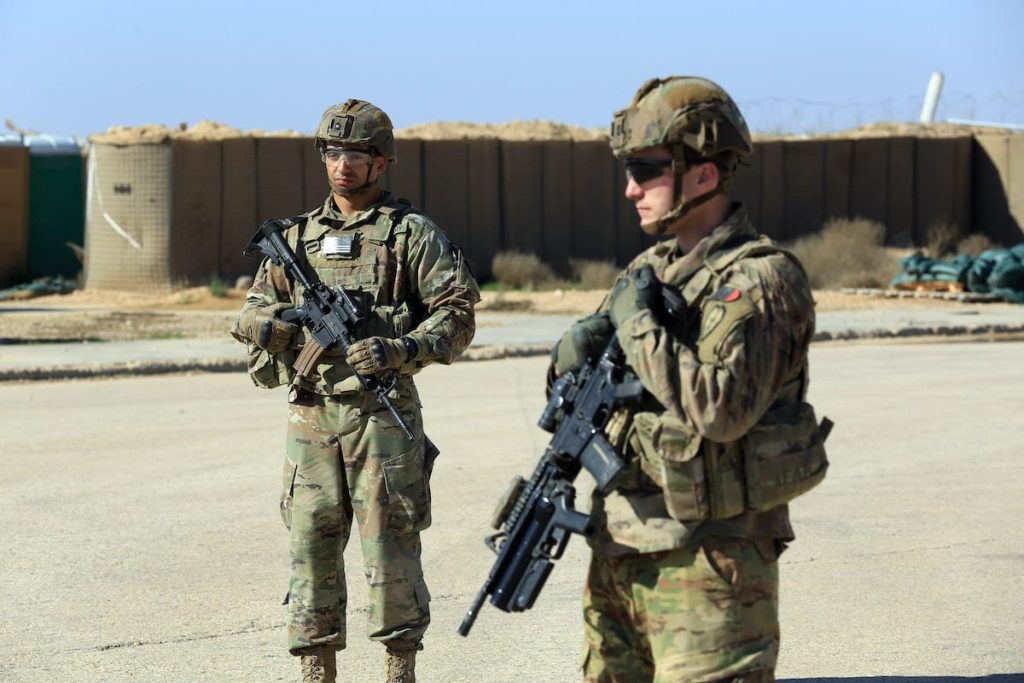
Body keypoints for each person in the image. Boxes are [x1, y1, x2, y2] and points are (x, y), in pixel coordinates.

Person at [550, 77, 829, 682]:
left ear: (702, 174)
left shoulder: (762, 279)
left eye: (645, 170)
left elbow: (720, 411)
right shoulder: (649, 269)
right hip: (621, 549)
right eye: (628, 171)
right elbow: (589, 390)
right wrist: (572, 354)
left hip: (710, 563)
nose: (630, 189)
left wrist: (636, 325)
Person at [231, 99, 479, 683]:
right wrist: (275, 325)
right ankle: (315, 669)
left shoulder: (410, 234)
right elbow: (249, 311)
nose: (342, 165)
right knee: (310, 547)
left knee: (391, 547)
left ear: (381, 161)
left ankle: (399, 668)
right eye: (333, 152)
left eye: (356, 154)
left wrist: (402, 348)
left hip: (381, 416)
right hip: (312, 416)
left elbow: (457, 314)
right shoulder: (294, 238)